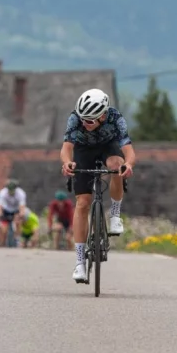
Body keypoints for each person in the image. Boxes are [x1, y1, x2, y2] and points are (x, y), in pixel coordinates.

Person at [60, 88, 135, 284]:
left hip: (108, 146)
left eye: (90, 120)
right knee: (83, 203)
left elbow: (129, 150)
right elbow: (66, 148)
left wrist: (128, 165)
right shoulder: (75, 118)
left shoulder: (116, 119)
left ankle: (115, 214)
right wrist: (67, 163)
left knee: (115, 166)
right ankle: (79, 263)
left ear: (102, 115)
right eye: (83, 119)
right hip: (84, 150)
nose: (85, 123)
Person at [0, 178, 26, 247]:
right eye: (9, 190)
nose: (11, 192)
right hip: (6, 210)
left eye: (13, 190)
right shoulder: (3, 193)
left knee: (18, 222)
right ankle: (2, 243)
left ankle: (17, 239)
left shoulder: (21, 193)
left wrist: (21, 214)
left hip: (16, 210)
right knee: (3, 229)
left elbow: (22, 207)